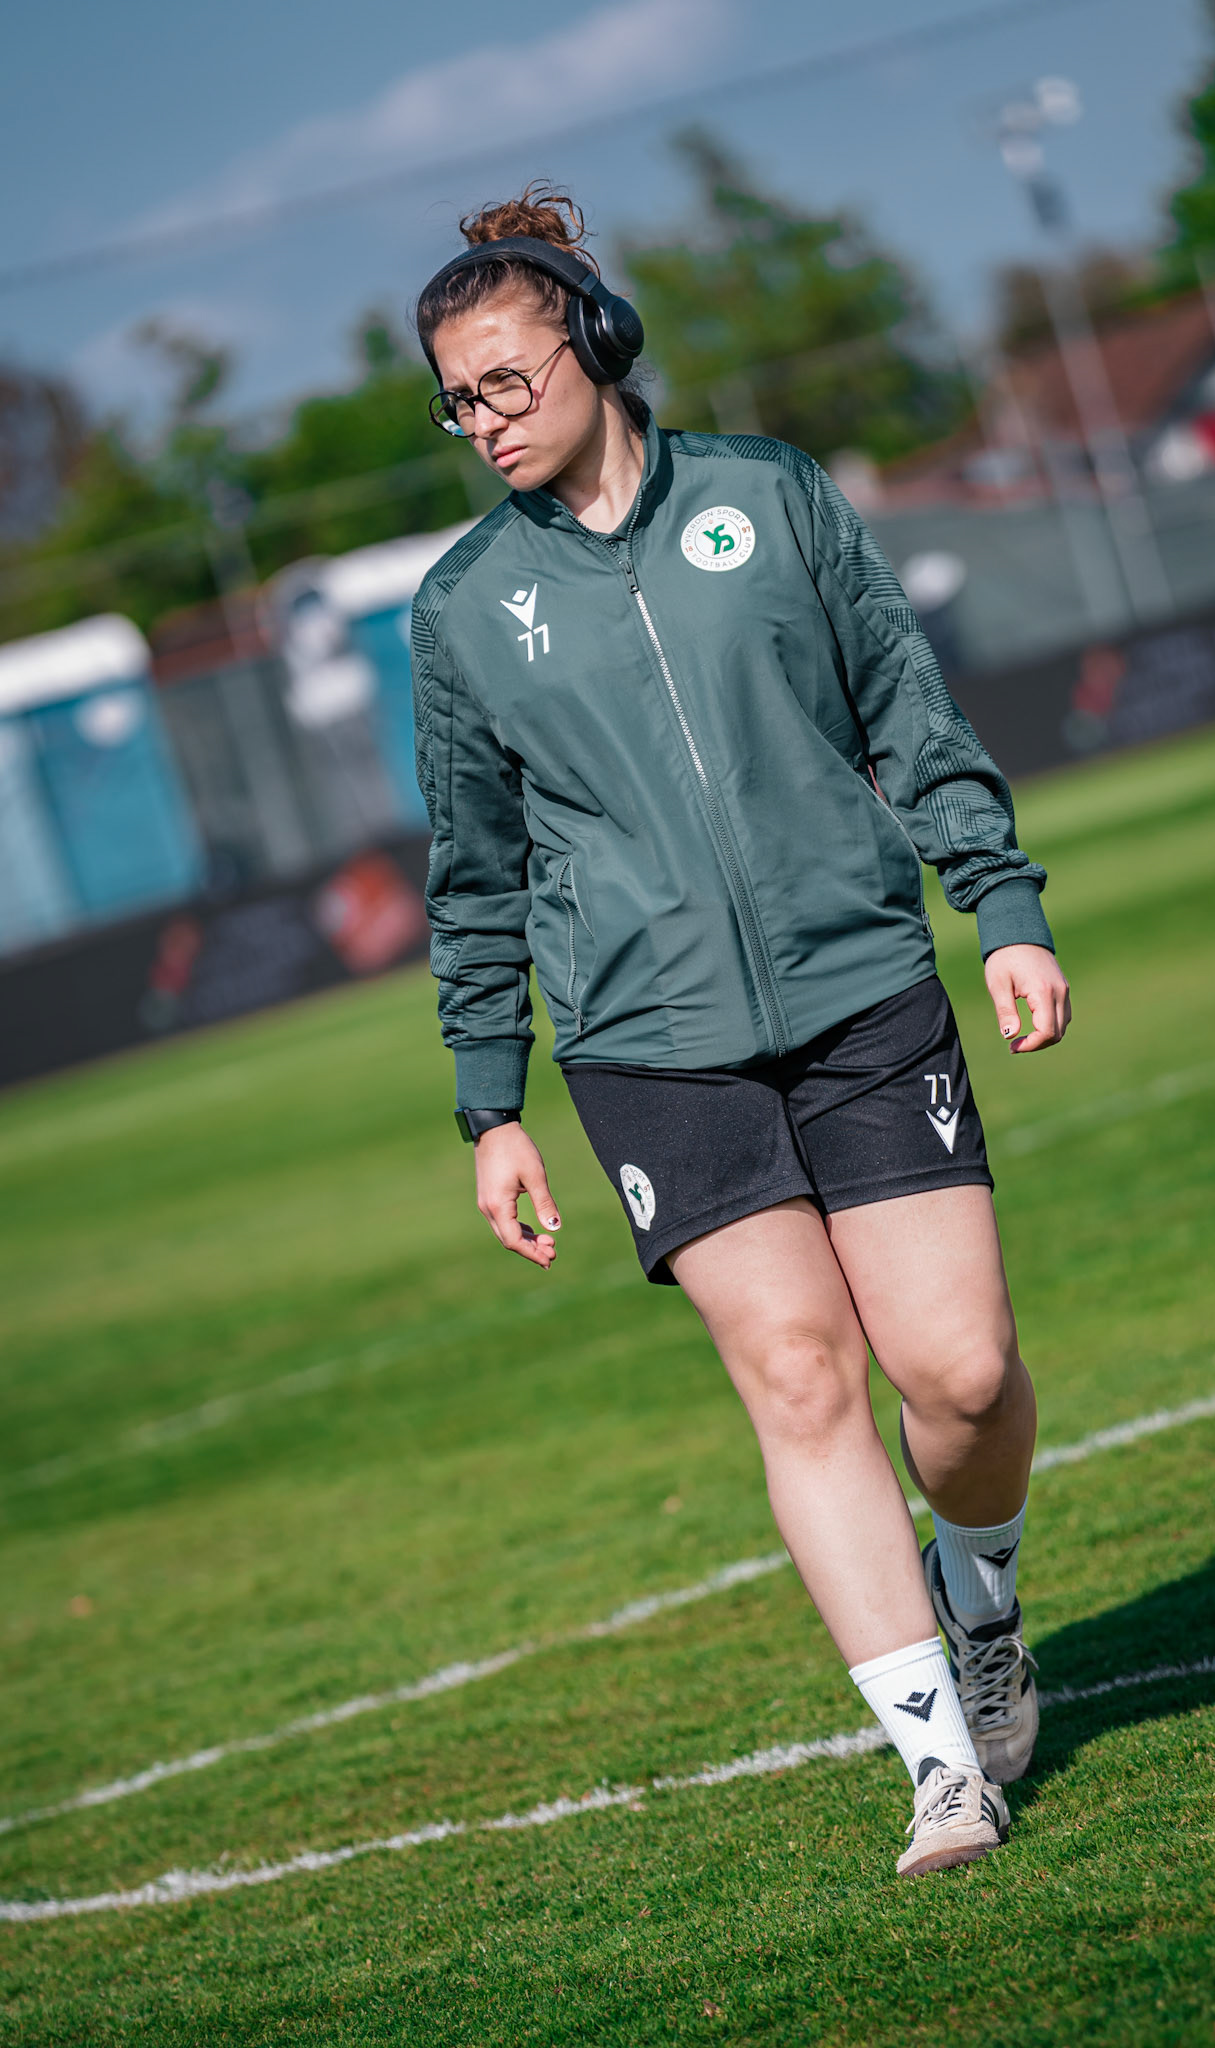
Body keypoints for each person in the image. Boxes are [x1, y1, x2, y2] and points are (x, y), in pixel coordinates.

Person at [410, 186, 1071, 1880]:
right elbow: (476, 875)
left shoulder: (770, 497)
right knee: (795, 1374)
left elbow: (907, 716)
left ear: (595, 346)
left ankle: (978, 1604)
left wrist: (997, 903)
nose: (478, 422)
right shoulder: (464, 609)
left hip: (860, 988)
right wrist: (492, 1103)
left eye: (501, 380)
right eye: (453, 399)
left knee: (961, 1370)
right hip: (646, 1042)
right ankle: (938, 1764)